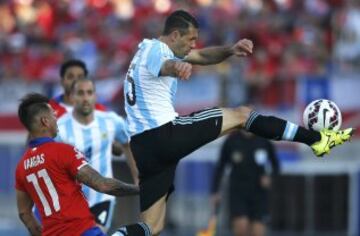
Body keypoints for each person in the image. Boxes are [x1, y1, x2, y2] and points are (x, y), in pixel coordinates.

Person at [123, 9, 354, 235]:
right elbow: (165, 65)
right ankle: (316, 140)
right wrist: (177, 67)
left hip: (144, 150)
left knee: (151, 228)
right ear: (174, 35)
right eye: (191, 39)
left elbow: (203, 56)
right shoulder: (157, 50)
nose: (194, 45)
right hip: (164, 134)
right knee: (243, 115)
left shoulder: (146, 51)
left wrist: (231, 50)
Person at [15, 93, 150, 236]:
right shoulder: (63, 151)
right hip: (82, 230)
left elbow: (24, 213)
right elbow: (102, 184)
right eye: (53, 115)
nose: (57, 119)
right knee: (139, 231)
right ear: (45, 121)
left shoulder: (21, 167)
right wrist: (140, 189)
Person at [56, 78, 139, 231]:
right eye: (80, 93)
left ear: (95, 96)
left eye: (89, 93)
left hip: (102, 198)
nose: (85, 98)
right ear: (72, 97)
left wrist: (137, 177)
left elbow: (127, 144)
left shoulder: (110, 121)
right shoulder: (60, 128)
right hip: (71, 201)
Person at [211, 130, 280, 236]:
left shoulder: (264, 140)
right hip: (238, 192)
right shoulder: (231, 141)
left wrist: (269, 178)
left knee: (258, 232)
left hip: (259, 193)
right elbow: (220, 167)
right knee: (241, 228)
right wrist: (215, 190)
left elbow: (276, 165)